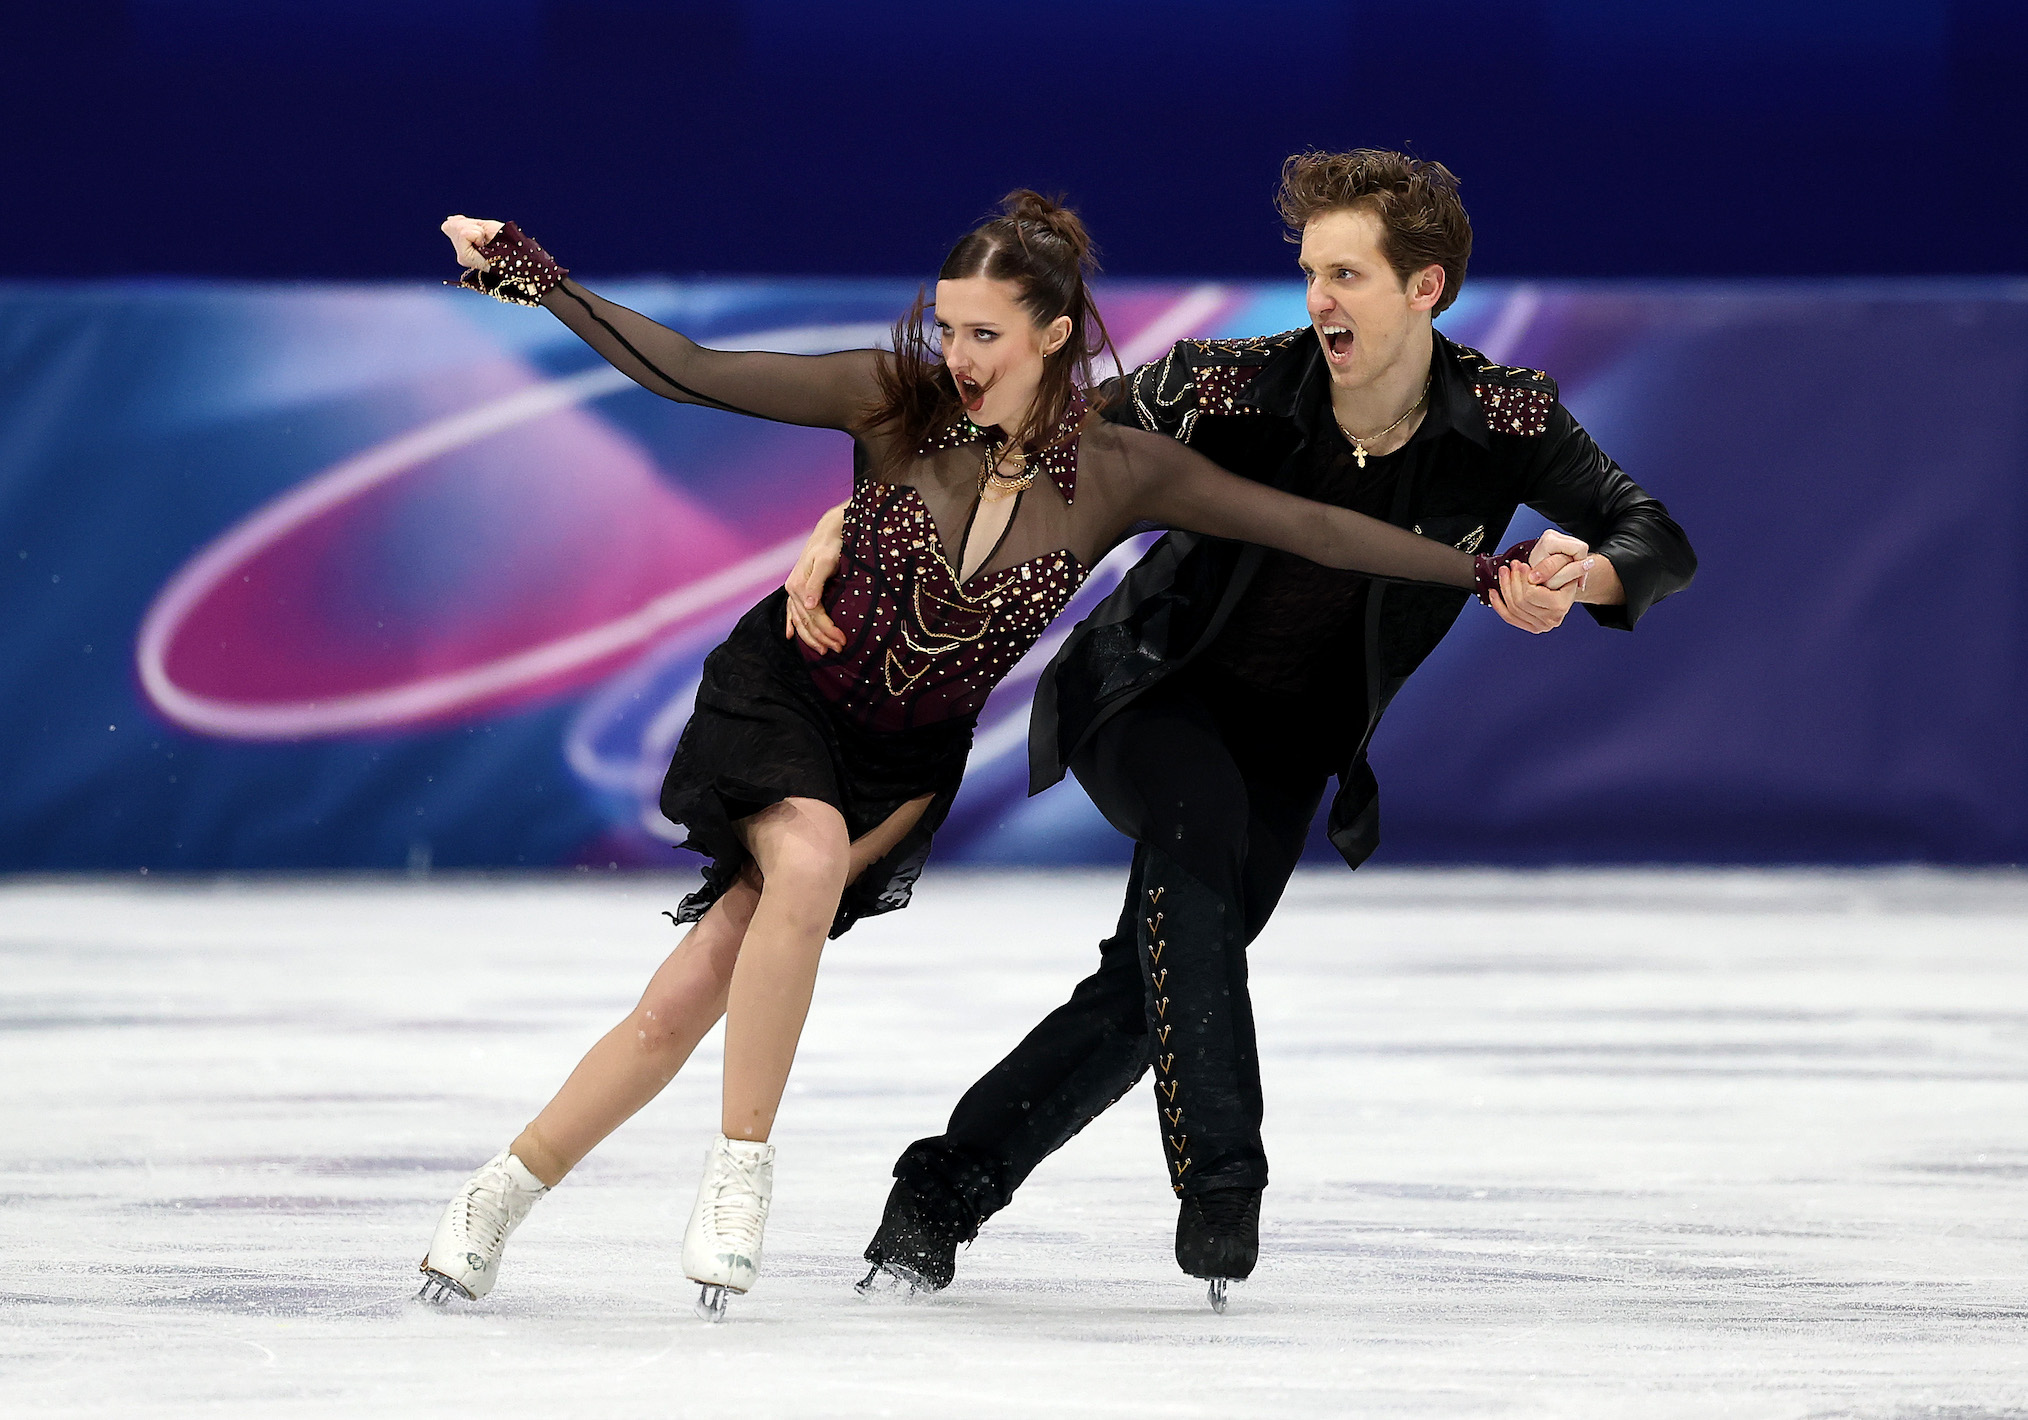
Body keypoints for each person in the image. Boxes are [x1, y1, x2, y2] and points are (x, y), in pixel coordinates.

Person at [412, 191, 1584, 1320]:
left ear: (1052, 335)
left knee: (690, 993)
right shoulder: (896, 403)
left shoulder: (1120, 472)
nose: (957, 355)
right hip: (788, 698)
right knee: (805, 861)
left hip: (902, 760)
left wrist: (1482, 570)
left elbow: (1316, 527)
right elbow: (694, 372)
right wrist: (538, 276)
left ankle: (496, 1193)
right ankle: (740, 1173)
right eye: (946, 327)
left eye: (984, 333)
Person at [780, 151, 1695, 1310]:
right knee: (1194, 846)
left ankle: (940, 1191)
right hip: (1146, 693)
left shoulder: (1504, 417)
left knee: (1146, 990)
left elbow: (1650, 528)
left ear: (1426, 288)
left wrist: (1586, 575)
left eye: (1348, 274)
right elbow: (1018, 444)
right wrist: (849, 518)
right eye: (1311, 270)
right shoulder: (1226, 383)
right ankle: (1224, 1178)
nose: (1319, 298)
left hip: (1293, 751)